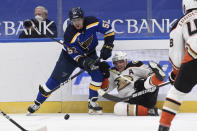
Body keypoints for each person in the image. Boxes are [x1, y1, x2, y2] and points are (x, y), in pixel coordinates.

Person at [27, 7, 115, 114]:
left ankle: (92, 102)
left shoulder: (93, 21)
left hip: (90, 54)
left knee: (98, 75)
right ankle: (37, 103)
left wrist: (108, 46)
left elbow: (109, 30)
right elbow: (73, 55)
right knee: (54, 81)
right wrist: (83, 62)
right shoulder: (69, 34)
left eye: (78, 20)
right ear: (70, 21)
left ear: (83, 18)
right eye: (74, 21)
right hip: (68, 58)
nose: (76, 23)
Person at [158, 0, 197, 130]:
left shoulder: (180, 23)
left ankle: (164, 127)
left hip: (194, 57)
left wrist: (175, 74)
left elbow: (177, 57)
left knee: (176, 94)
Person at [100, 51, 166, 116]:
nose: (118, 65)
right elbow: (105, 89)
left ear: (126, 61)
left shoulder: (134, 65)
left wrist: (141, 83)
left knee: (144, 83)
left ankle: (158, 78)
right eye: (116, 63)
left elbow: (150, 73)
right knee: (117, 108)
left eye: (121, 62)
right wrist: (104, 75)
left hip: (144, 93)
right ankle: (150, 111)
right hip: (130, 101)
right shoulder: (112, 73)